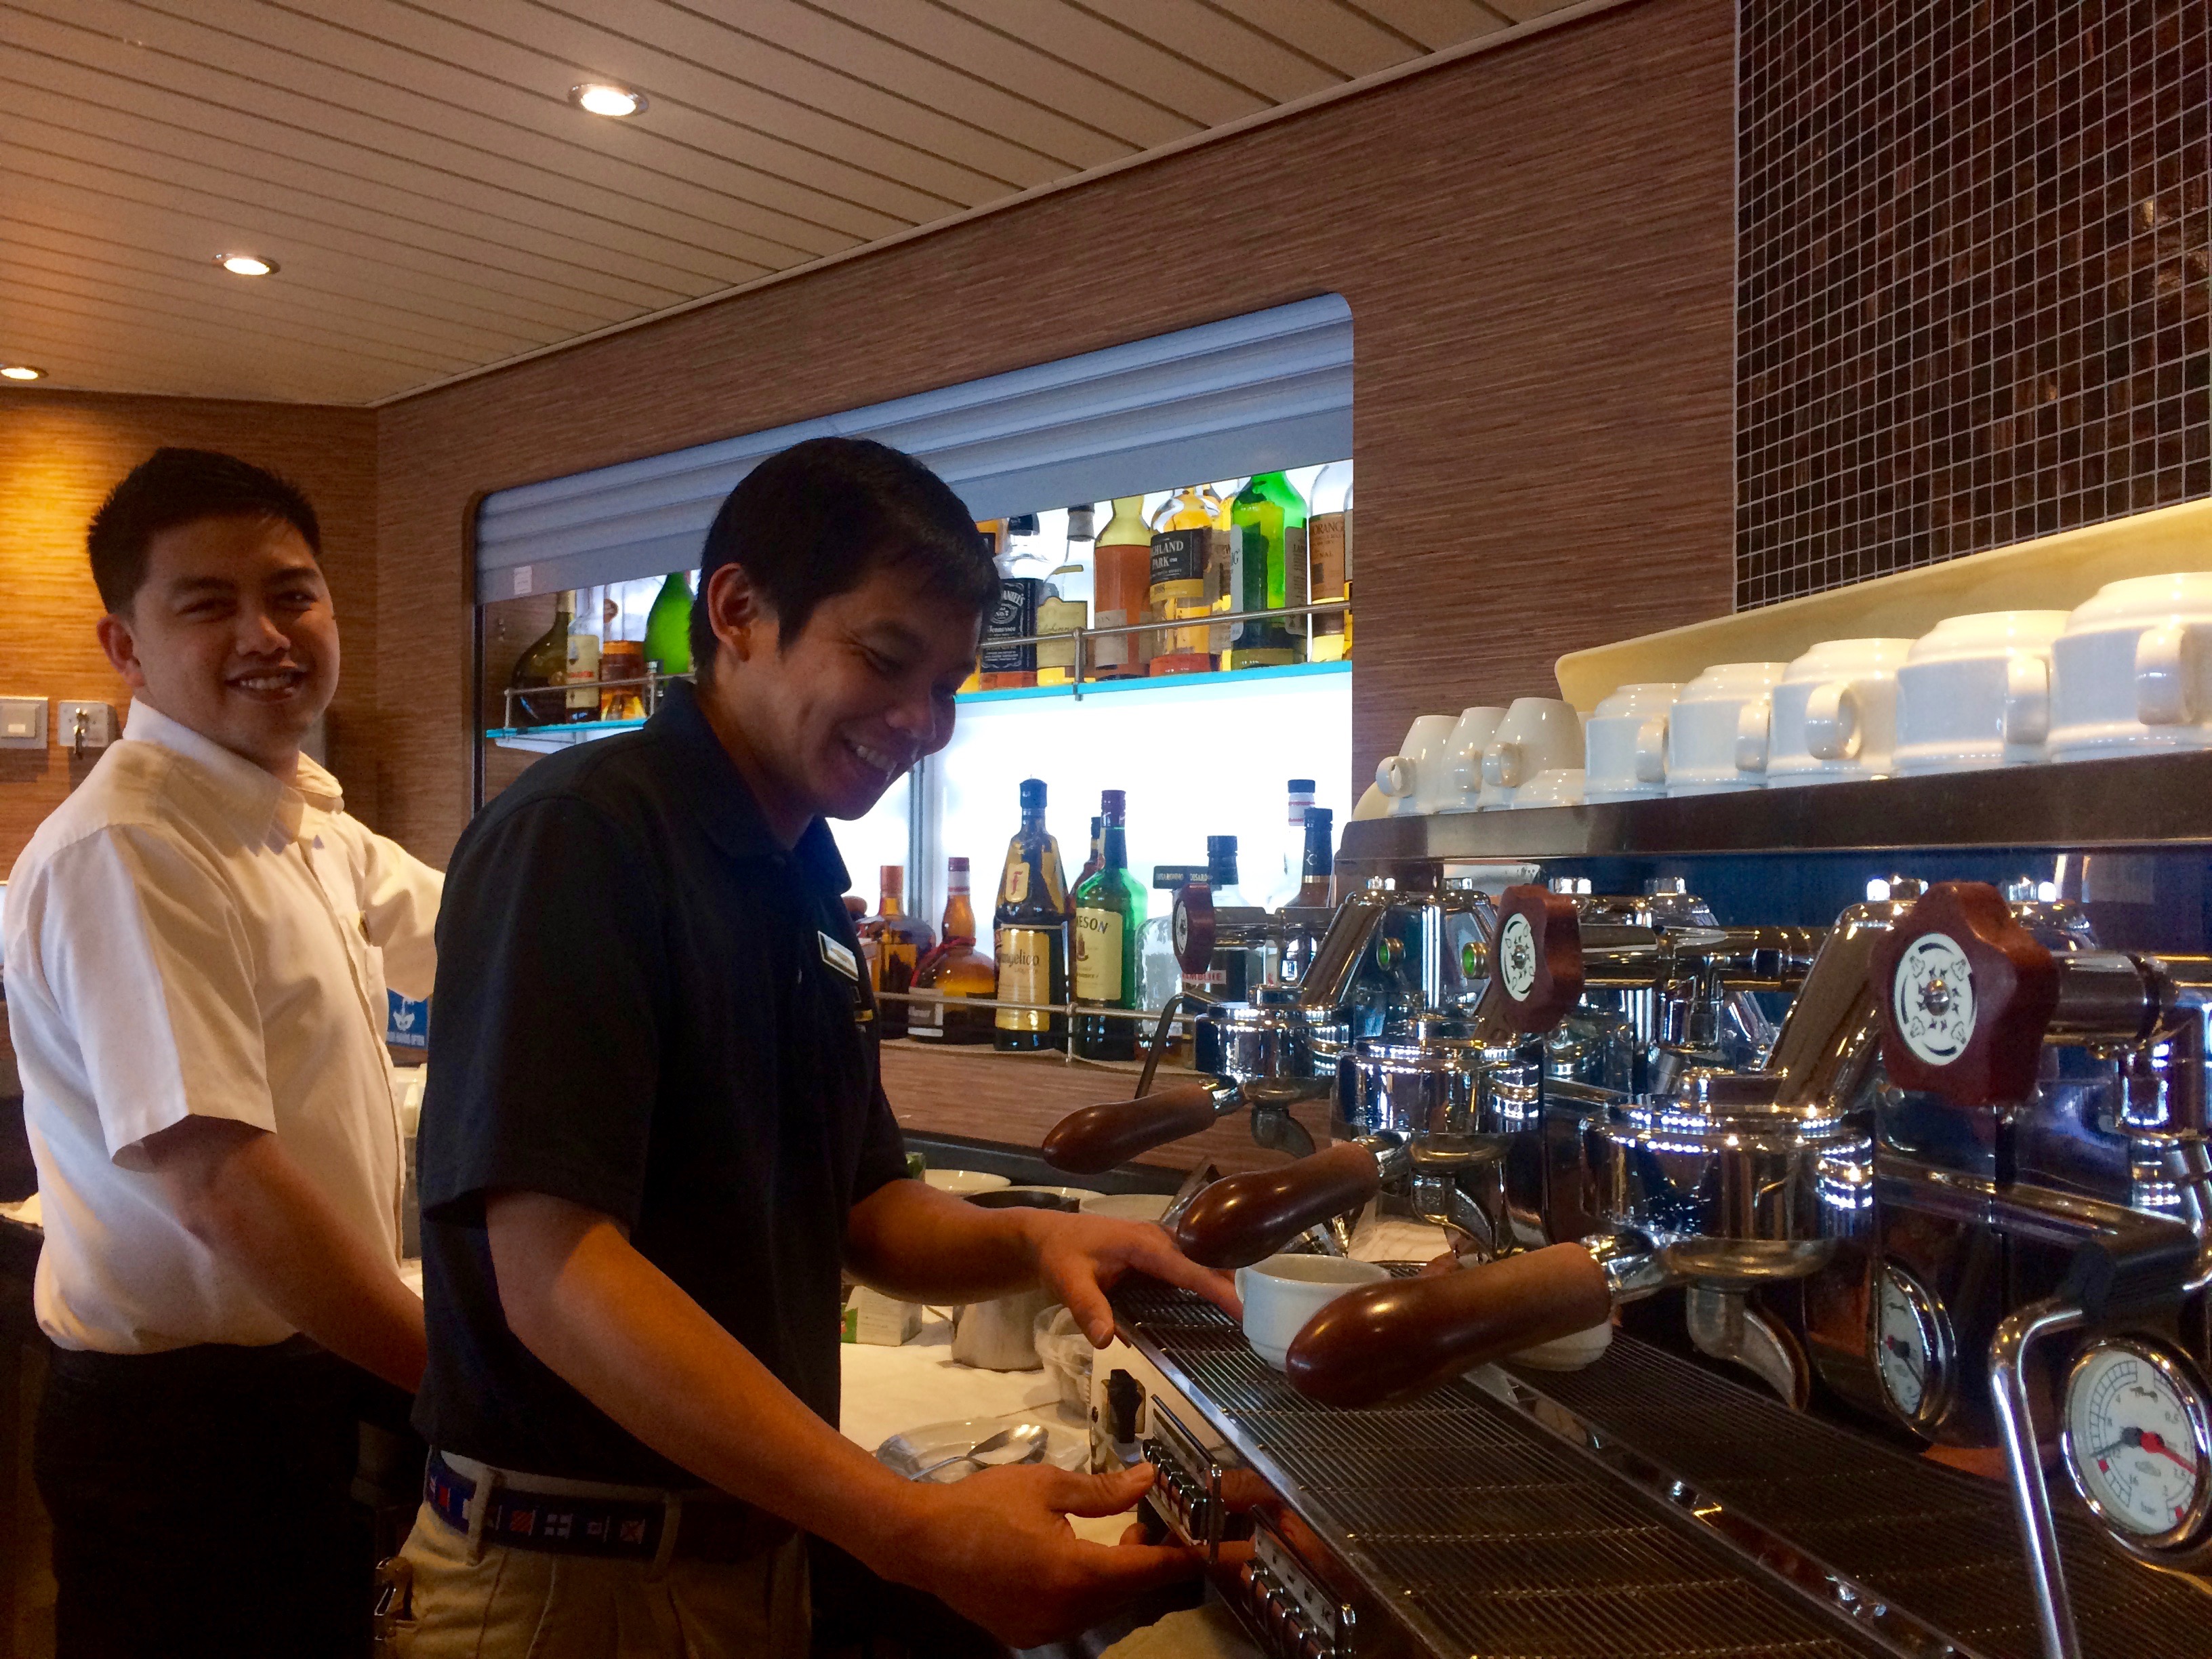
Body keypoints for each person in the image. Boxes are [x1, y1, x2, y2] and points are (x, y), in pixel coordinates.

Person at [395, 437, 1238, 1657]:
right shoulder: (586, 835)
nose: (922, 724)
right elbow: (559, 1277)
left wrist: (1037, 1239)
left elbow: (863, 1205)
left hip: (741, 1566)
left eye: (948, 685)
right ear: (739, 613)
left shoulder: (799, 877)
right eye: (887, 661)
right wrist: (908, 1528)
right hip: (566, 1584)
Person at [3, 448, 443, 1658]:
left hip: (298, 1388)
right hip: (180, 1430)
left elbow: (485, 938)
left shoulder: (300, 819)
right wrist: (468, 1384)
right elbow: (222, 1188)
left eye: (293, 594)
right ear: (126, 648)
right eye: (208, 605)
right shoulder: (132, 845)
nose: (267, 635)